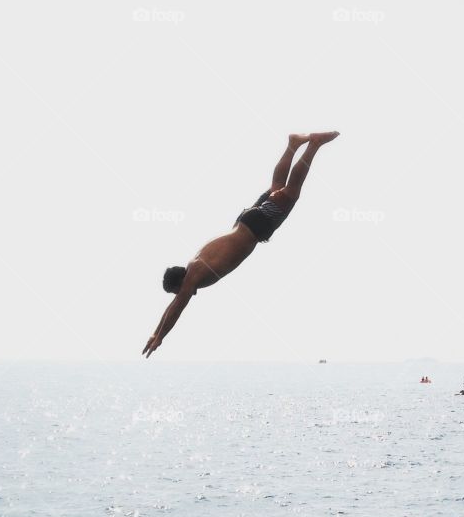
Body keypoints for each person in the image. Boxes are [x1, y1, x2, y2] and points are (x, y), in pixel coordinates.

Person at [142, 131, 340, 358]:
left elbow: (177, 307)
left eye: (180, 292)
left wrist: (160, 337)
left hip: (256, 227)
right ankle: (293, 144)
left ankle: (313, 145)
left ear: (180, 284)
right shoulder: (195, 263)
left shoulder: (193, 275)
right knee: (276, 186)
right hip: (246, 221)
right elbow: (173, 304)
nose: (187, 295)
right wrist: (155, 332)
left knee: (291, 193)